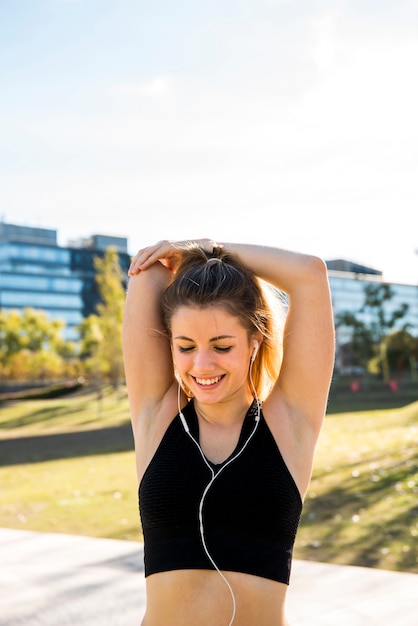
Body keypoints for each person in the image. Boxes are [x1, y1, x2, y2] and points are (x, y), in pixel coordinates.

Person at [123, 238, 335, 626]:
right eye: (185, 346)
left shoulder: (290, 425)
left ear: (255, 341)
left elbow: (309, 274)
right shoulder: (157, 417)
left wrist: (206, 247)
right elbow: (147, 271)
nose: (202, 365)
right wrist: (189, 258)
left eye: (221, 346)